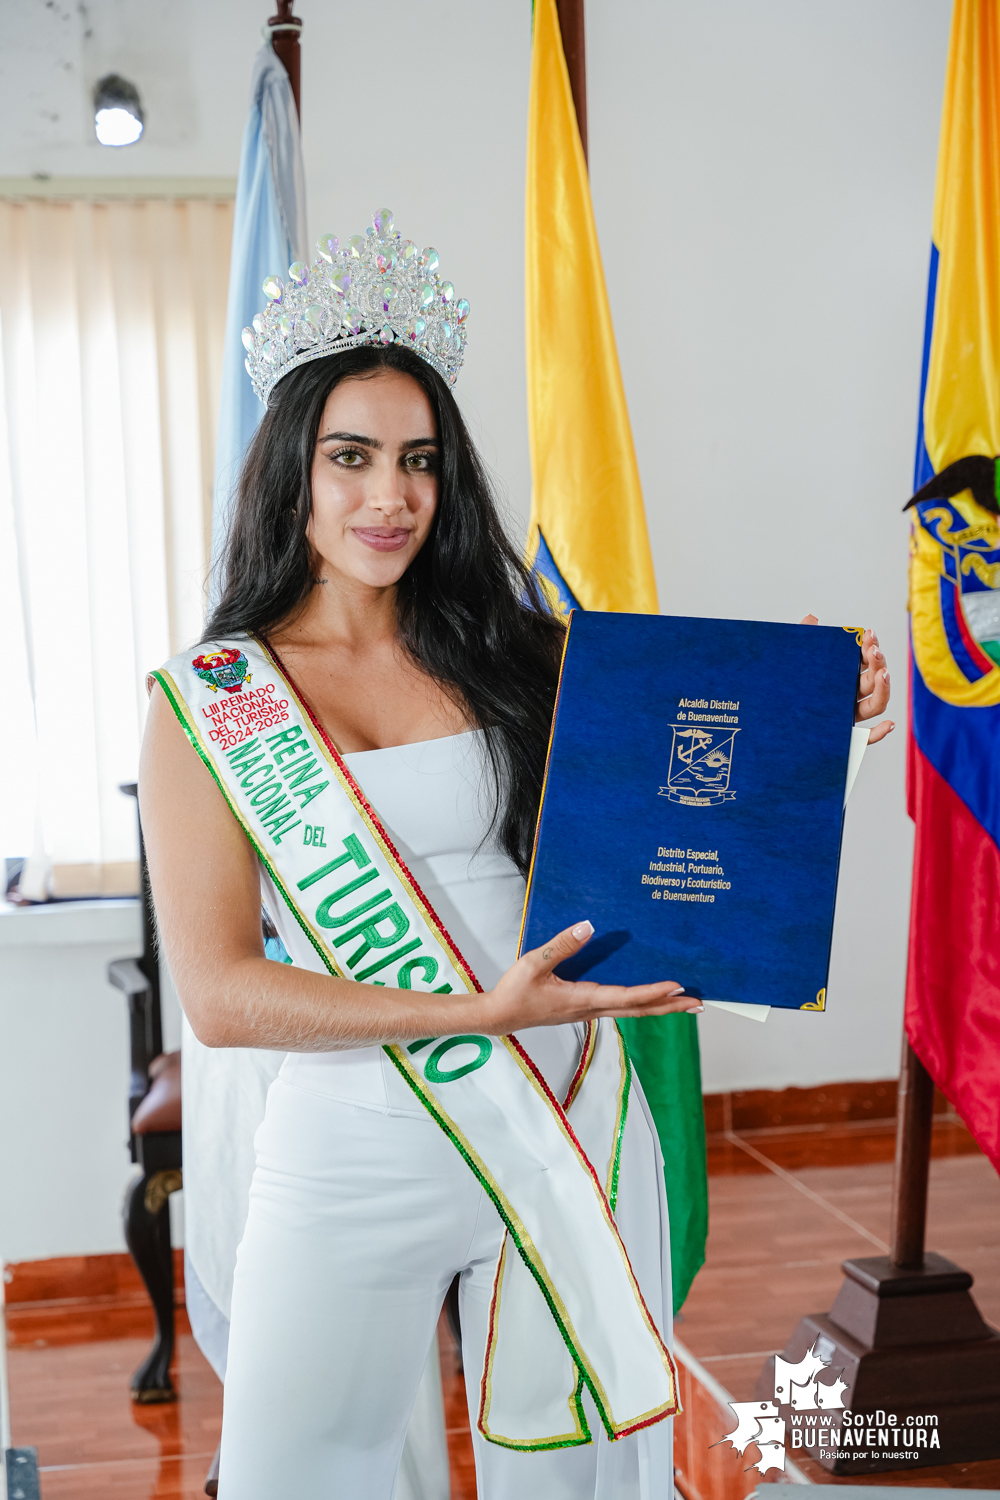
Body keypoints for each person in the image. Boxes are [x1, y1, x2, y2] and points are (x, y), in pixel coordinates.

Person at [139, 213, 892, 1499]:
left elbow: (674, 824)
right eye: (353, 458)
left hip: (567, 1112)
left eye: (421, 461)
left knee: (582, 1473)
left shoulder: (521, 653)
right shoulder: (212, 702)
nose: (392, 498)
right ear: (291, 475)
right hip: (354, 1139)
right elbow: (216, 995)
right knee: (299, 1471)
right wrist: (478, 1008)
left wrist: (813, 714)